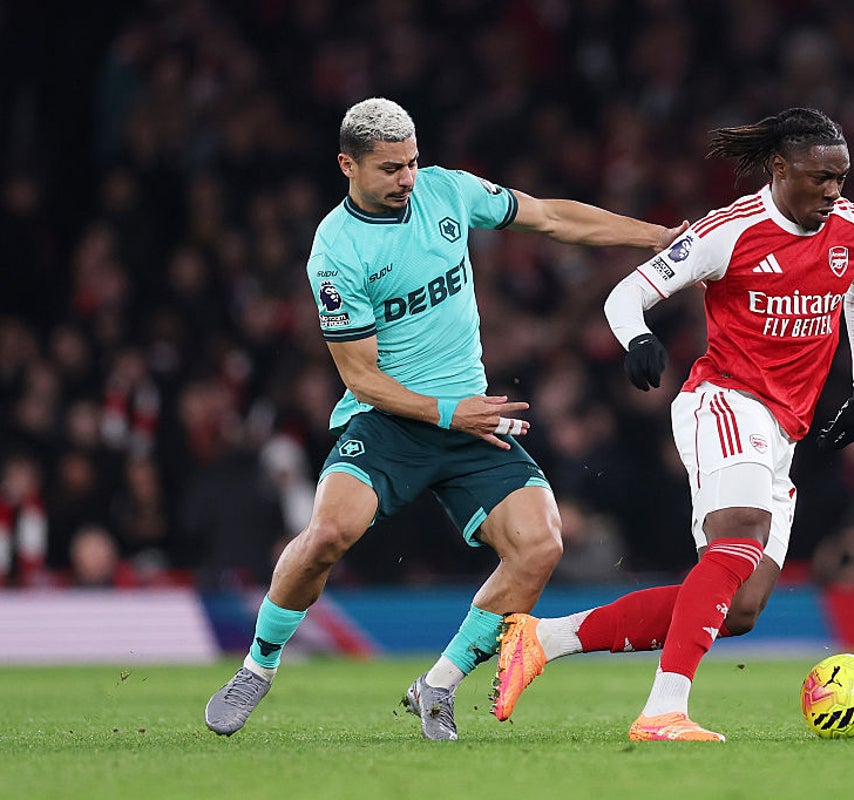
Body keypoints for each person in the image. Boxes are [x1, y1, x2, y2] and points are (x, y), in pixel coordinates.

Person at [204, 97, 684, 740]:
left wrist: (653, 236)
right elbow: (361, 378)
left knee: (541, 544)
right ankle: (258, 667)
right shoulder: (336, 251)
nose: (407, 178)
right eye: (390, 168)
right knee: (327, 535)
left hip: (468, 418)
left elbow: (548, 217)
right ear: (347, 165)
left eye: (412, 162)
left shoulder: (448, 192)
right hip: (389, 419)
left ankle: (438, 685)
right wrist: (449, 411)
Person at [492, 107, 854, 742]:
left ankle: (545, 639)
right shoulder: (728, 232)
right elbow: (626, 295)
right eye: (820, 178)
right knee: (741, 532)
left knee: (741, 608)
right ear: (780, 169)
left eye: (841, 177)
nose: (833, 191)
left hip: (784, 430)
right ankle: (662, 710)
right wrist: (638, 337)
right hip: (725, 401)